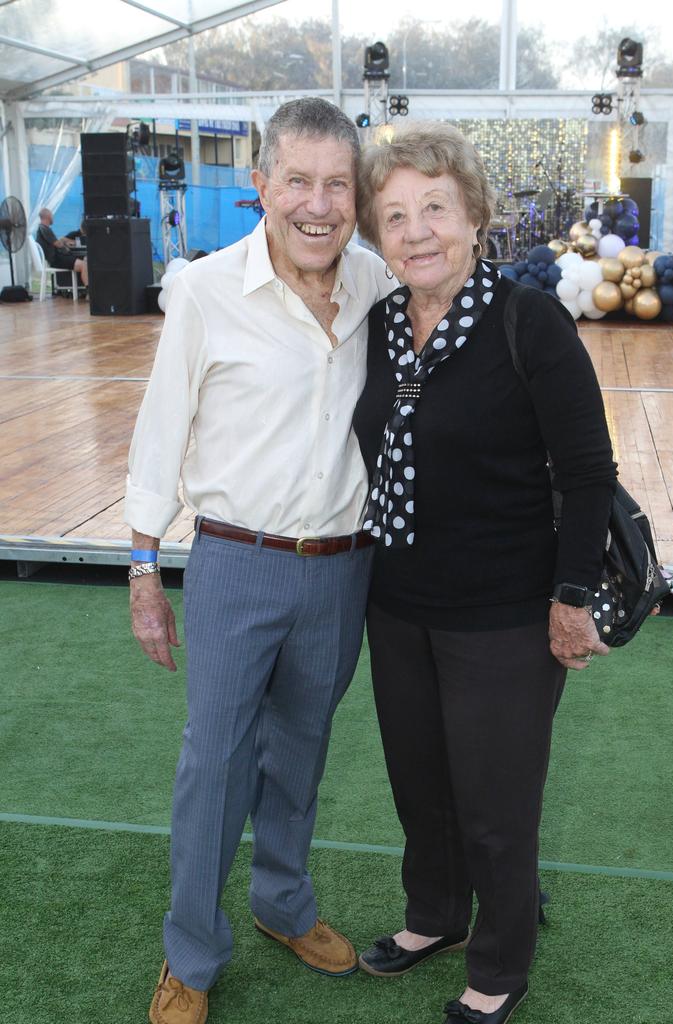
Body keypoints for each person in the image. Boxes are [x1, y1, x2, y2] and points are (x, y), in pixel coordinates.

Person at [125, 97, 391, 1024]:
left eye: (337, 184)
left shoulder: (375, 284)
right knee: (216, 763)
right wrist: (143, 569)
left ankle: (283, 903)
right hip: (238, 565)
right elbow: (160, 433)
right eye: (298, 181)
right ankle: (190, 955)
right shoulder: (203, 291)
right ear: (261, 186)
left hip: (344, 567)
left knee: (302, 751)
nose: (317, 204)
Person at [352, 122, 618, 1024]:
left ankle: (501, 964)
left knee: (496, 804)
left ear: (474, 217)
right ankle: (435, 916)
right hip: (398, 602)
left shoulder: (526, 319)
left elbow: (588, 473)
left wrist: (571, 597)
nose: (416, 230)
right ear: (376, 235)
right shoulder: (384, 323)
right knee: (419, 782)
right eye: (394, 216)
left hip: (505, 613)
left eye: (435, 207)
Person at [35, 207, 88, 286]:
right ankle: (90, 292)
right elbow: (58, 244)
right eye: (52, 215)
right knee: (84, 265)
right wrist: (68, 246)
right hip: (57, 260)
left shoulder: (42, 229)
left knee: (84, 262)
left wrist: (66, 244)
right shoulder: (44, 229)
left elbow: (57, 243)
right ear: (48, 216)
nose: (53, 217)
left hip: (58, 258)